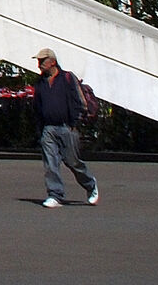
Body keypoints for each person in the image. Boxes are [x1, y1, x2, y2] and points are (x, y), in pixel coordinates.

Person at [31, 48, 98, 208]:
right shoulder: (40, 83)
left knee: (72, 161)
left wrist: (75, 122)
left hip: (67, 127)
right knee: (50, 163)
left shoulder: (67, 78)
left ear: (52, 62)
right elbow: (37, 106)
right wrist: (40, 128)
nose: (39, 65)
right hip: (48, 129)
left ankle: (90, 184)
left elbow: (79, 101)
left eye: (42, 61)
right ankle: (55, 194)